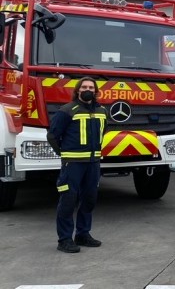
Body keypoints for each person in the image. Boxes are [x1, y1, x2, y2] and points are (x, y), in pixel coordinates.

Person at [47, 76, 107, 253]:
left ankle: (82, 234)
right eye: (84, 87)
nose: (87, 89)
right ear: (78, 90)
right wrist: (64, 154)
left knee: (89, 199)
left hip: (93, 163)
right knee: (68, 199)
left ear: (96, 91)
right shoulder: (67, 110)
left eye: (91, 87)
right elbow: (52, 136)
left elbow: (104, 132)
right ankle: (64, 239)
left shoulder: (102, 111)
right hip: (72, 163)